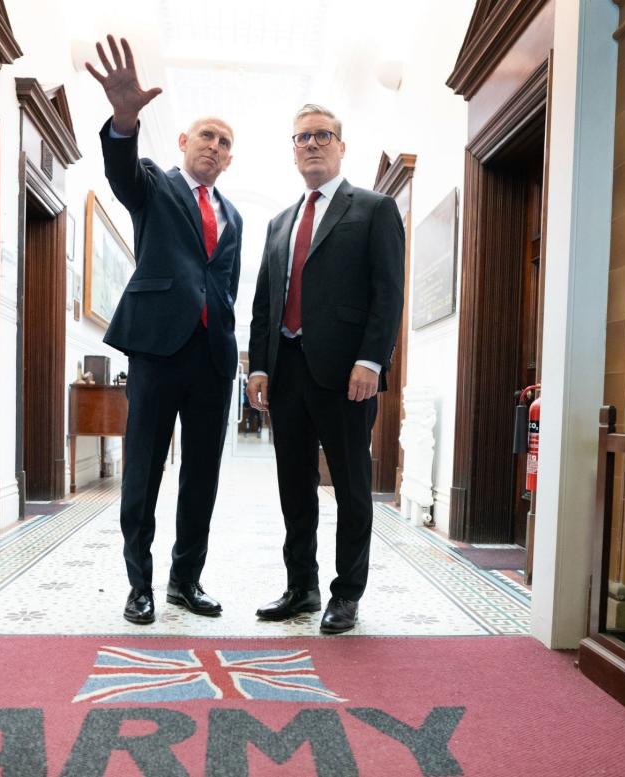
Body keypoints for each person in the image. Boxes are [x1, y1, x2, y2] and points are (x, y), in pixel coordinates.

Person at [85, 36, 242, 625]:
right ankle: (139, 585)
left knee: (201, 476)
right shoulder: (154, 184)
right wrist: (123, 121)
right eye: (207, 135)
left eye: (225, 143)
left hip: (212, 361)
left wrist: (238, 355)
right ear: (183, 142)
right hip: (156, 350)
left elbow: (223, 284)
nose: (215, 146)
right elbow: (121, 173)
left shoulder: (235, 216)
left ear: (230, 159)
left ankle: (186, 580)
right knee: (144, 471)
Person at [247, 104, 405, 633]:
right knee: (294, 486)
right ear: (292, 150)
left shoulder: (374, 209)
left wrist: (371, 360)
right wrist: (259, 367)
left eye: (321, 135)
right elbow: (265, 302)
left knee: (352, 486)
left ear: (341, 146)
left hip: (346, 376)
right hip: (286, 372)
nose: (311, 144)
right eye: (301, 138)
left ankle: (347, 593)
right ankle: (302, 587)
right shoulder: (278, 222)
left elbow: (388, 293)